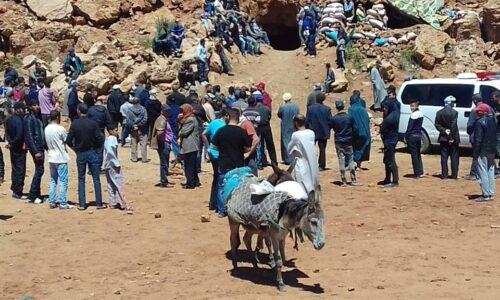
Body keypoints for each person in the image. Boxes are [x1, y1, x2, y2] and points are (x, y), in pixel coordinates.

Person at [212, 108, 252, 217]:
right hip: (238, 163)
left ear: (228, 117)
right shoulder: (242, 132)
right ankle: (236, 209)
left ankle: (222, 211)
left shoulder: (221, 131)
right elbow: (248, 148)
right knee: (238, 186)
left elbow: (214, 146)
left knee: (222, 186)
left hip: (224, 162)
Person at [66, 103, 106, 210]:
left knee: (81, 178)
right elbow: (100, 138)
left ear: (79, 111)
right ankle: (99, 203)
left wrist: (75, 149)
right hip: (92, 151)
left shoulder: (75, 124)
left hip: (81, 153)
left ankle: (82, 204)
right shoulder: (93, 123)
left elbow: (68, 140)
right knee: (96, 178)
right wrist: (97, 149)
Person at [44, 110, 72, 209]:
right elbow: (66, 140)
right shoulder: (60, 129)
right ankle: (63, 202)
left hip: (51, 157)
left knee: (53, 180)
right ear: (57, 118)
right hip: (60, 157)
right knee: (63, 181)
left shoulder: (46, 128)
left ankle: (52, 201)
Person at [287, 114, 319, 193]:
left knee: (302, 186)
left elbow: (289, 149)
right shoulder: (311, 133)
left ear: (296, 123)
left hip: (301, 163)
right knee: (312, 182)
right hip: (312, 162)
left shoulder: (296, 135)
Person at [331, 100, 360, 186]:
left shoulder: (334, 118)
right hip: (349, 140)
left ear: (336, 108)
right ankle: (353, 179)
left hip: (339, 141)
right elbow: (355, 128)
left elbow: (333, 128)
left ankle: (343, 180)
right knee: (351, 159)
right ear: (343, 107)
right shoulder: (349, 117)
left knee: (341, 159)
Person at [203, 112, 227, 211]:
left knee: (216, 178)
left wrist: (208, 147)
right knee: (222, 179)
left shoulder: (213, 123)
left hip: (212, 153)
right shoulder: (225, 126)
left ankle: (213, 203)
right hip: (220, 155)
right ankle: (219, 205)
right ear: (226, 116)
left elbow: (203, 134)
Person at [465, 94, 493, 181]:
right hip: (488, 137)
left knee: (476, 155)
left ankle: (473, 174)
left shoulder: (475, 110)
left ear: (474, 101)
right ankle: (493, 172)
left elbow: (470, 126)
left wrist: (470, 133)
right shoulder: (489, 108)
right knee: (488, 155)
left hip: (477, 136)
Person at [472, 104, 497, 202]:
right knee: (490, 171)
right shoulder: (493, 121)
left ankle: (485, 194)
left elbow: (478, 140)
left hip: (483, 150)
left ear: (485, 112)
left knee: (483, 171)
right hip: (491, 149)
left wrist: (475, 154)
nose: (477, 112)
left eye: (479, 111)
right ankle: (491, 193)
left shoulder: (479, 122)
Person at [24, 99, 45, 204]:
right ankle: (32, 195)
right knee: (40, 170)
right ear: (30, 106)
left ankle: (37, 194)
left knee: (40, 169)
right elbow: (29, 136)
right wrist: (35, 151)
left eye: (38, 104)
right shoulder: (29, 119)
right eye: (35, 105)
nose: (37, 106)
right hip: (36, 148)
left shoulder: (37, 117)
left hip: (40, 147)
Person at [6, 101, 27, 199]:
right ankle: (18, 191)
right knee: (20, 170)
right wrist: (13, 142)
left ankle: (14, 188)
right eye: (23, 109)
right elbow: (19, 135)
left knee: (14, 168)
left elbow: (7, 133)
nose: (24, 110)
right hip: (19, 147)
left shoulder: (9, 119)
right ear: (19, 109)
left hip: (12, 147)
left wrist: (10, 143)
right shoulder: (20, 120)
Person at [103, 126, 129, 210]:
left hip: (107, 165)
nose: (117, 132)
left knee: (110, 184)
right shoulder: (112, 139)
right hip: (113, 165)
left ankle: (112, 203)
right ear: (110, 131)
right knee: (119, 184)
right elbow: (111, 151)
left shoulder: (106, 139)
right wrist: (115, 162)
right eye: (116, 130)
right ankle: (123, 204)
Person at [435, 96, 460, 179]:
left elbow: (437, 124)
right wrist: (451, 137)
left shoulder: (439, 112)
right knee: (454, 156)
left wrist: (444, 130)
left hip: (443, 137)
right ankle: (454, 175)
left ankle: (444, 175)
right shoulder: (454, 112)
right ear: (451, 103)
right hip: (453, 137)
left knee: (444, 157)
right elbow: (453, 126)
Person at [151, 104, 175, 188]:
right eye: (167, 111)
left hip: (165, 143)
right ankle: (164, 182)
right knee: (164, 163)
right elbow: (159, 133)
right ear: (163, 111)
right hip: (163, 144)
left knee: (165, 163)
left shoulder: (164, 119)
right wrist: (164, 142)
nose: (168, 113)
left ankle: (164, 180)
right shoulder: (161, 120)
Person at [306, 93, 332, 171]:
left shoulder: (310, 108)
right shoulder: (327, 109)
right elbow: (330, 121)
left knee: (311, 149)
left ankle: (312, 164)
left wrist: (308, 129)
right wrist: (328, 129)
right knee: (322, 149)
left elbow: (307, 121)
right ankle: (321, 165)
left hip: (312, 131)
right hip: (323, 131)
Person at [179, 104, 201, 189]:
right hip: (191, 145)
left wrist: (179, 131)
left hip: (190, 145)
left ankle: (190, 184)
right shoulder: (189, 118)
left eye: (183, 111)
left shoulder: (190, 119)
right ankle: (195, 181)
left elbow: (184, 132)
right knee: (192, 165)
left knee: (189, 166)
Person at [88, 97, 113, 170]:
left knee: (91, 149)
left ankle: (90, 167)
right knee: (100, 150)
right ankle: (98, 167)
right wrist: (110, 131)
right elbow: (109, 122)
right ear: (102, 103)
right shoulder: (105, 110)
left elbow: (86, 120)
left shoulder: (90, 110)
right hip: (101, 131)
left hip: (91, 132)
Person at [379, 100, 400, 188]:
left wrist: (380, 128)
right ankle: (387, 178)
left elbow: (383, 131)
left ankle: (395, 181)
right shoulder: (395, 114)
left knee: (390, 161)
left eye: (385, 108)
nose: (384, 109)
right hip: (393, 139)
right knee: (387, 160)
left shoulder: (389, 119)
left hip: (389, 141)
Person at [278, 93, 300, 165]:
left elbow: (279, 114)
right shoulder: (296, 106)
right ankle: (294, 157)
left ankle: (288, 159)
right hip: (294, 125)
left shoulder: (283, 107)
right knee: (293, 141)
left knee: (286, 141)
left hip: (285, 125)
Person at [255, 95, 278, 167]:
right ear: (262, 100)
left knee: (260, 145)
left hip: (259, 128)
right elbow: (269, 117)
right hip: (267, 127)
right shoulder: (267, 108)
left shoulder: (255, 109)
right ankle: (274, 161)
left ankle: (263, 161)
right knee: (270, 144)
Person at [126, 97, 149, 163]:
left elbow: (128, 120)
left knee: (134, 144)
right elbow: (145, 119)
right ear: (139, 102)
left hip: (133, 130)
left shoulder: (130, 110)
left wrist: (133, 126)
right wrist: (139, 125)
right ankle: (144, 158)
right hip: (143, 129)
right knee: (143, 144)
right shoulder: (143, 109)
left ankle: (134, 158)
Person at [405, 100, 424, 178]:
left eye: (413, 106)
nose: (411, 108)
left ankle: (417, 173)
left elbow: (410, 127)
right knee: (418, 154)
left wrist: (406, 136)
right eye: (411, 106)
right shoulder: (421, 114)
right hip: (419, 135)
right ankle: (420, 171)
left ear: (417, 106)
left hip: (412, 136)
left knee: (414, 155)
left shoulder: (413, 115)